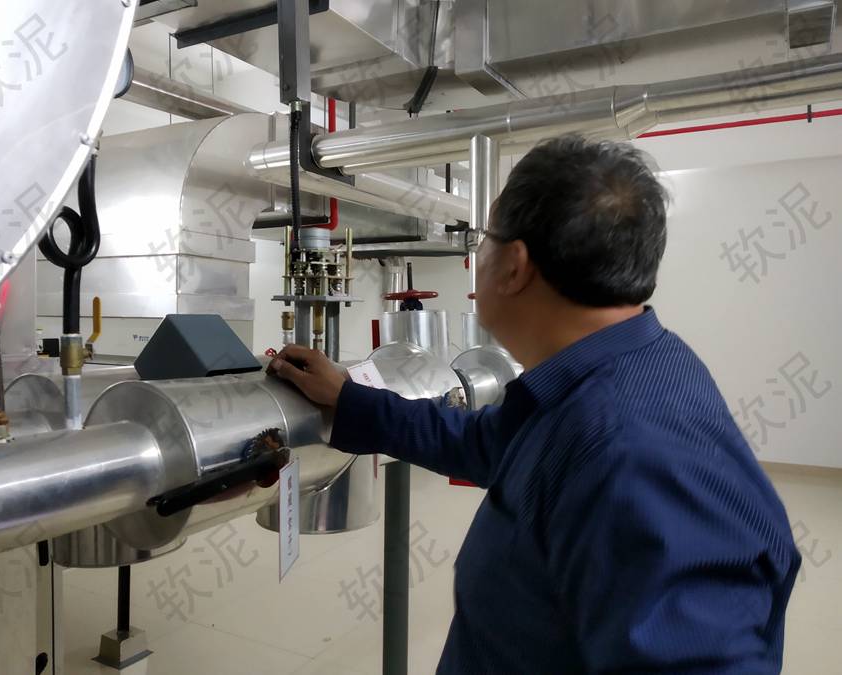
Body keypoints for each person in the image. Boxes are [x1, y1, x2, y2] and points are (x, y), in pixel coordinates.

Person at [269, 135, 801, 674]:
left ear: (514, 266)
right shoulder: (618, 370)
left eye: (485, 239)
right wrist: (349, 399)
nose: (478, 255)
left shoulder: (635, 460)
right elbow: (481, 442)